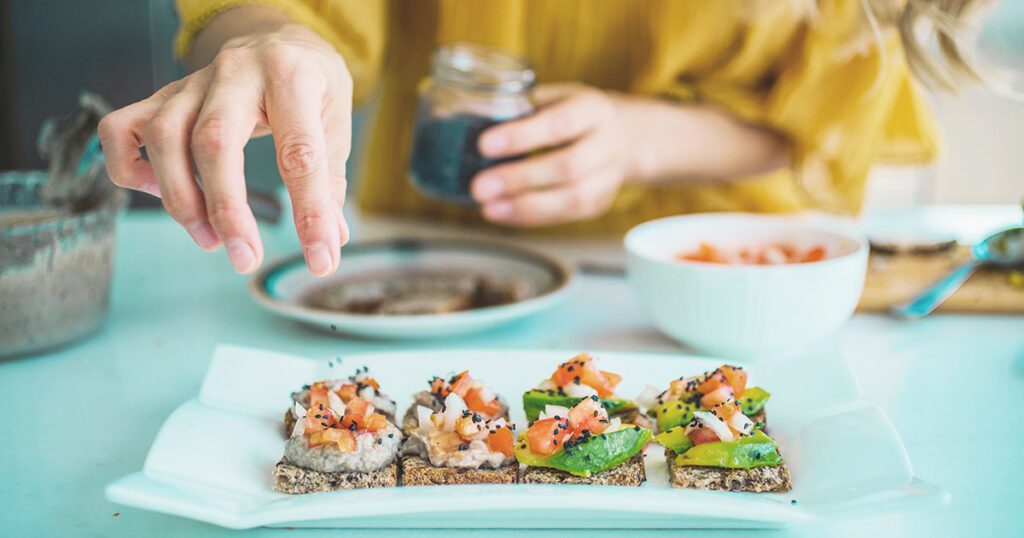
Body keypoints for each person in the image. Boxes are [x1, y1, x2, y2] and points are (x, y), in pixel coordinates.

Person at [98, 0, 987, 277]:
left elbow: (826, 120)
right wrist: (269, 44)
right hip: (438, 256)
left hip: (719, 276)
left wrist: (643, 140)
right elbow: (282, 13)